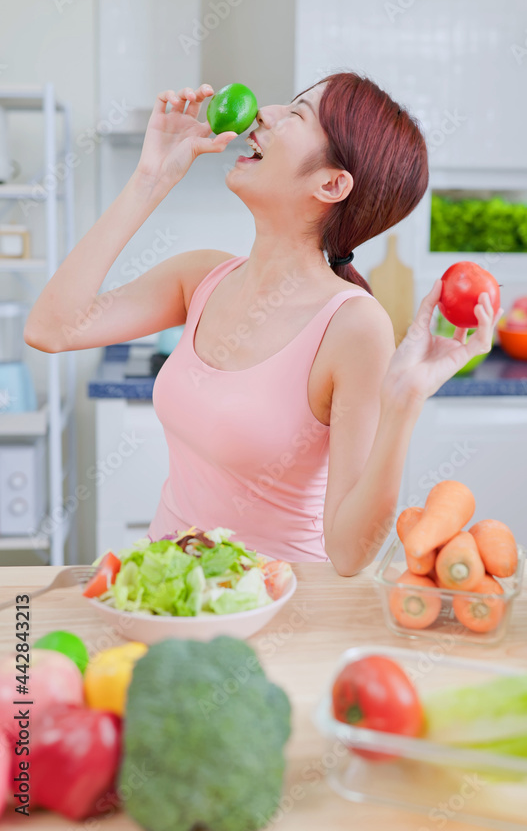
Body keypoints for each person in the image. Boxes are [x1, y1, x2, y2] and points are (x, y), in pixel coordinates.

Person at [24, 73, 503, 574]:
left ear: (332, 183)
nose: (263, 112)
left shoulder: (354, 326)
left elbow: (347, 553)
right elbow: (52, 328)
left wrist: (404, 400)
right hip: (163, 590)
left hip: (272, 611)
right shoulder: (199, 277)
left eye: (296, 114)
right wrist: (152, 178)